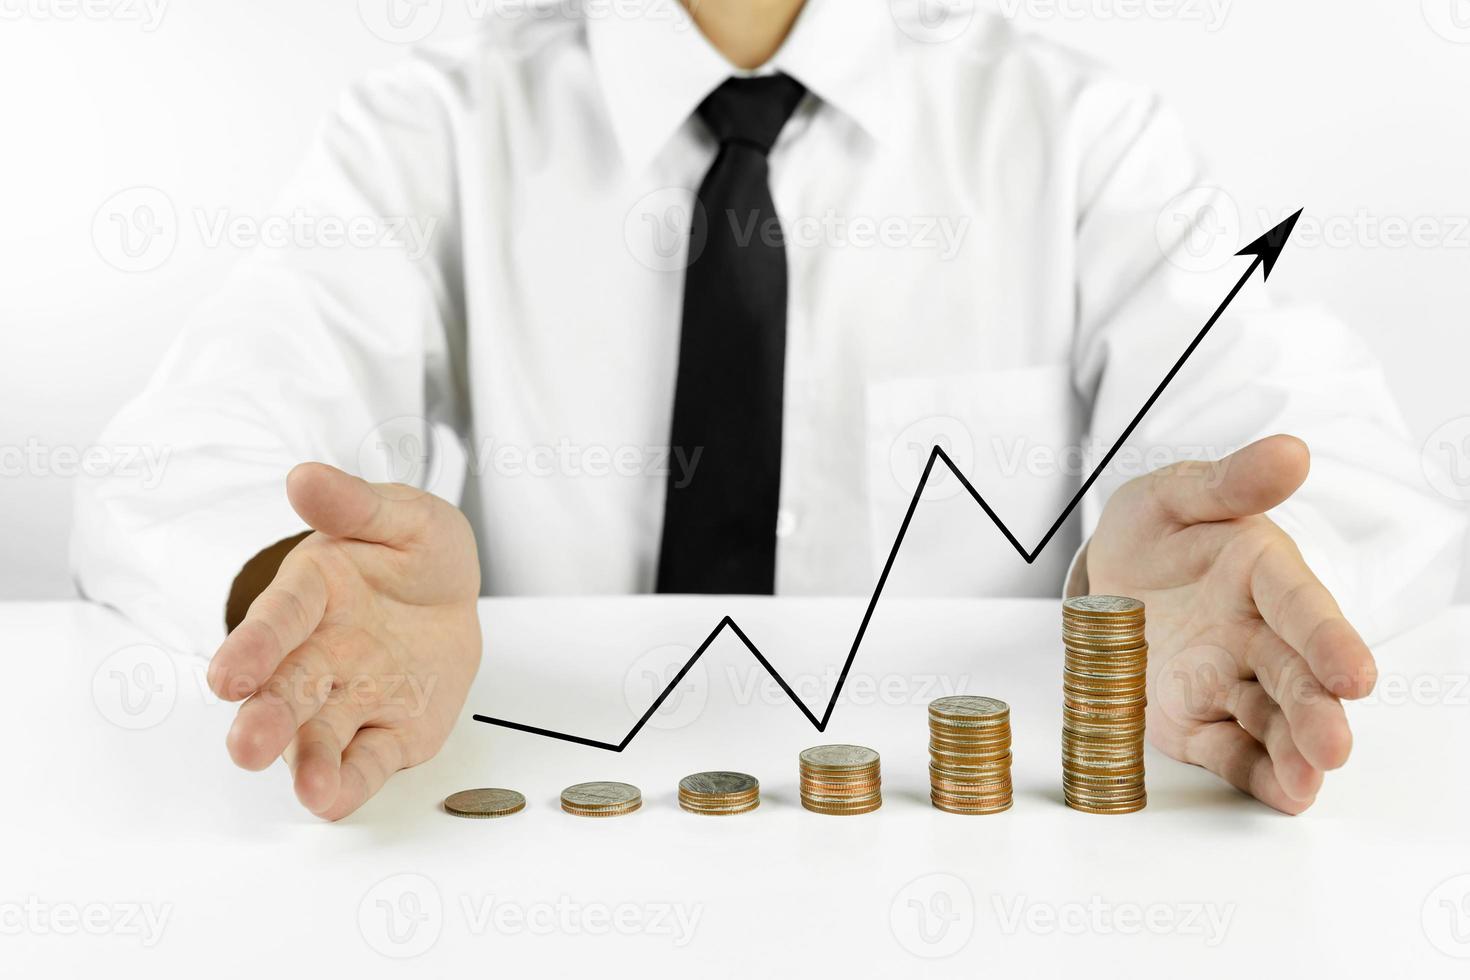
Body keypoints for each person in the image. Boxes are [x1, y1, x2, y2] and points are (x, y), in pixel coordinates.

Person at [72, 0, 1464, 820]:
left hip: (974, 872)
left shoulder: (1076, 133)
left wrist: (1270, 572)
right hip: (553, 854)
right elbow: (176, 457)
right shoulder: (429, 126)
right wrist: (294, 590)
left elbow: (1331, 447)